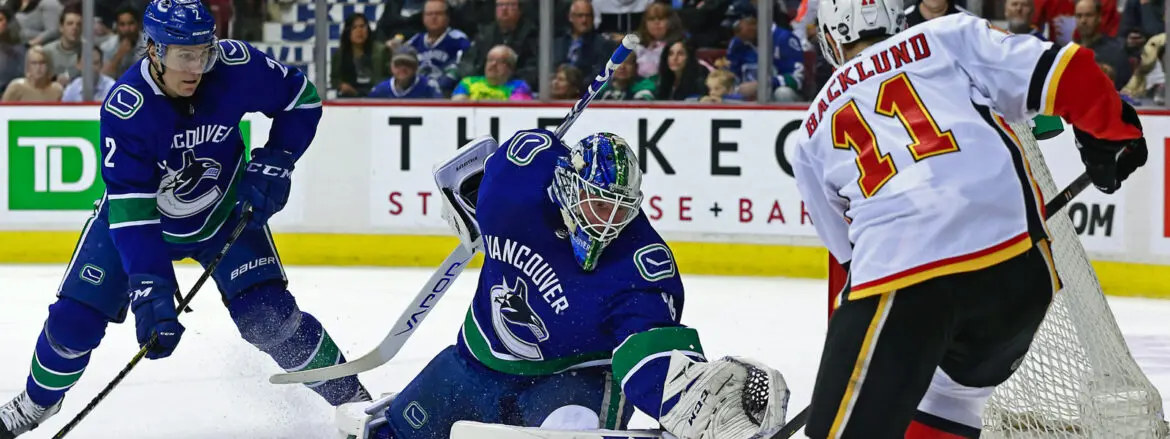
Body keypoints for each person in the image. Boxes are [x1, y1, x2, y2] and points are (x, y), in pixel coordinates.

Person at [0, 0, 372, 436]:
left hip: (224, 216)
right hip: (137, 225)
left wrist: (278, 158)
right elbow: (133, 210)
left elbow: (303, 100)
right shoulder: (127, 108)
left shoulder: (235, 67)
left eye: (204, 51)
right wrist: (150, 285)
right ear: (154, 50)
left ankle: (356, 404)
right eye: (184, 55)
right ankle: (35, 404)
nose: (197, 66)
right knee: (73, 323)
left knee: (269, 318)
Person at [794, 0, 1147, 437]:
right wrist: (1117, 133)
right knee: (949, 400)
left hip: (905, 277)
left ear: (830, 39)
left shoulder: (810, 132)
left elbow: (850, 262)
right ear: (897, 17)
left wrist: (856, 360)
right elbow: (1069, 71)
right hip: (1022, 274)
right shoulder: (948, 34)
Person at [335, 130, 789, 439]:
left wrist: (691, 399)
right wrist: (465, 212)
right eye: (596, 204)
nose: (607, 222)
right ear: (568, 187)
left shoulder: (639, 268)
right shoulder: (513, 189)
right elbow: (467, 175)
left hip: (573, 383)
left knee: (570, 428)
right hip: (477, 362)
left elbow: (651, 360)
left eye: (619, 209)